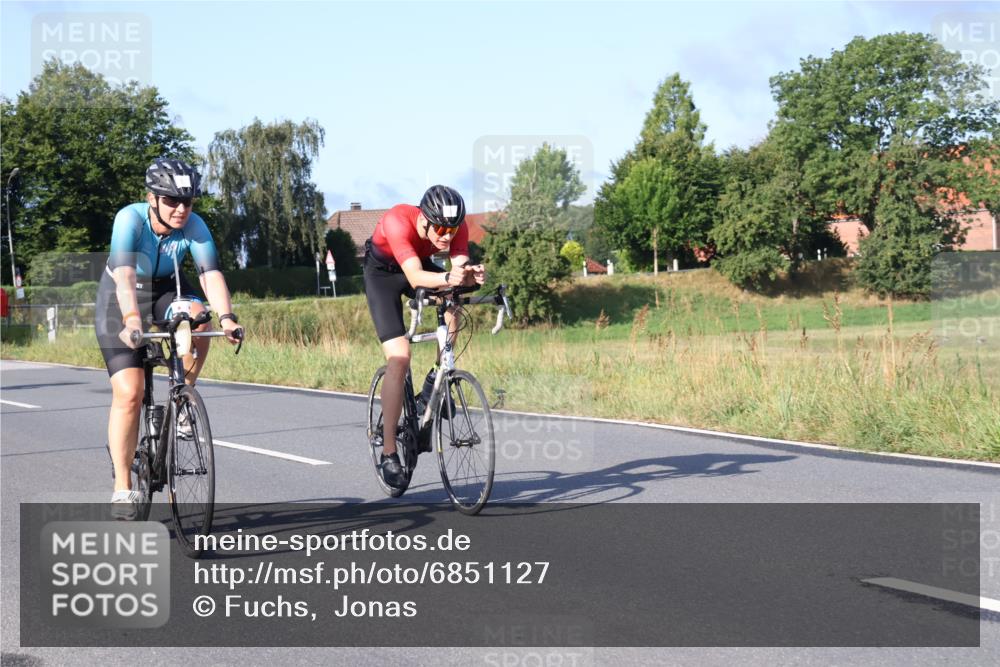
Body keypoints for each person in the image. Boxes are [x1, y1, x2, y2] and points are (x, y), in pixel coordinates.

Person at [95, 159, 242, 519]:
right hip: (122, 293)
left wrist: (227, 317)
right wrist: (131, 321)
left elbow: (210, 275)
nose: (181, 210)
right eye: (172, 201)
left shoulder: (194, 225)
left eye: (187, 202)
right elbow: (126, 277)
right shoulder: (129, 220)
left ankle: (183, 397)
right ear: (152, 199)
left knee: (200, 320)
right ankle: (123, 485)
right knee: (131, 393)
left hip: (167, 288)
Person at [363, 185, 485, 487]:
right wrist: (448, 278)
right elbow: (416, 277)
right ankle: (389, 452)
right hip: (383, 276)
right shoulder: (398, 221)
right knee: (400, 358)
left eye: (452, 229)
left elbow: (457, 270)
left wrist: (469, 276)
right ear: (424, 220)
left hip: (419, 267)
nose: (446, 236)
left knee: (453, 302)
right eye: (441, 229)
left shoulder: (456, 226)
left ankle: (434, 383)